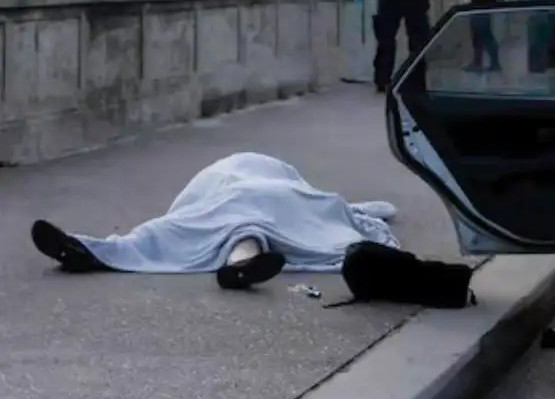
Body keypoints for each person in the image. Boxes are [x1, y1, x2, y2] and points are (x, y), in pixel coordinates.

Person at [29, 153, 401, 290]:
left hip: (226, 200)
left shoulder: (240, 174)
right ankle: (239, 266)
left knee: (167, 231)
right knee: (246, 230)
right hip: (265, 202)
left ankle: (89, 248)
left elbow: (184, 207)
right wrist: (357, 213)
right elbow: (354, 207)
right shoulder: (289, 182)